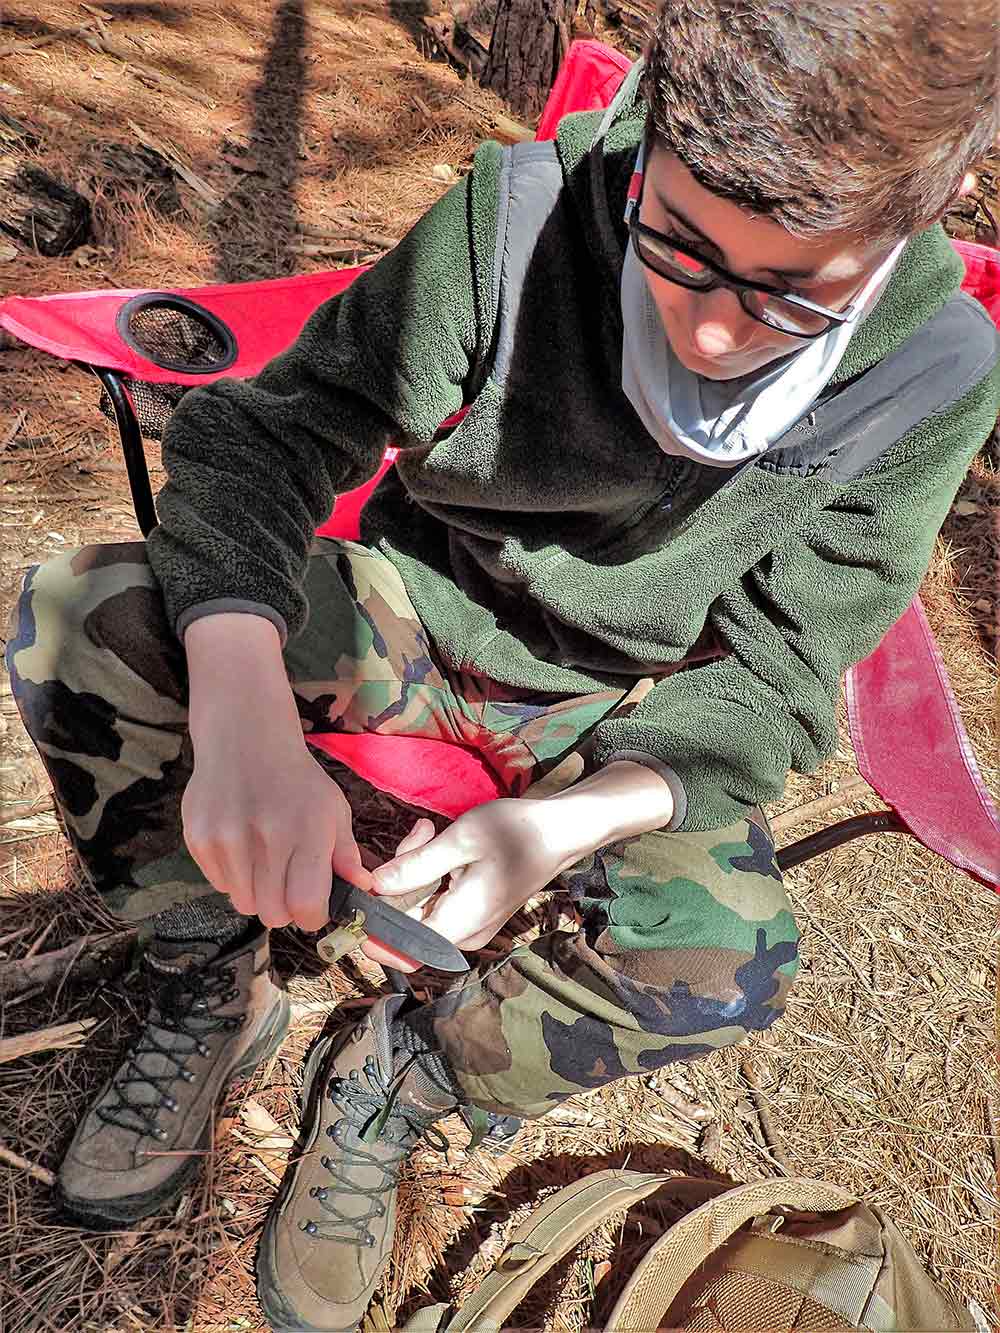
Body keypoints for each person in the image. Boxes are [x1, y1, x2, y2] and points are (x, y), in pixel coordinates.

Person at [6, 2, 1000, 1329]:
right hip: (410, 610)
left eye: (789, 294)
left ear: (922, 213)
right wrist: (240, 707)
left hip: (610, 714)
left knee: (728, 957)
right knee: (84, 617)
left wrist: (558, 825)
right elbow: (262, 443)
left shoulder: (931, 377)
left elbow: (781, 667)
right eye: (679, 248)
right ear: (655, 154)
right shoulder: (529, 221)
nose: (710, 332)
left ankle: (407, 1074)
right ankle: (205, 977)